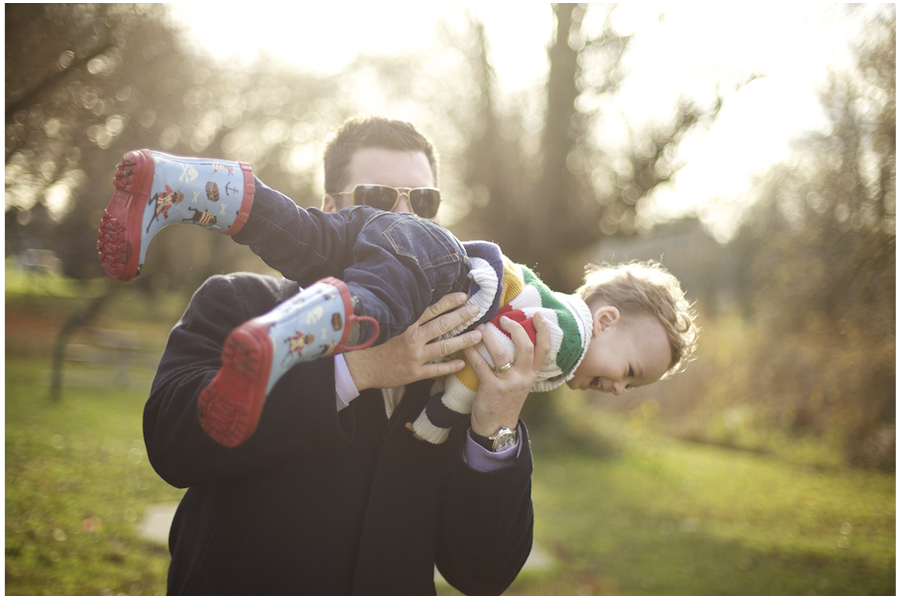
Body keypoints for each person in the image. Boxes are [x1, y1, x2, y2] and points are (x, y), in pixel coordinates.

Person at [122, 117, 554, 595]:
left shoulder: (463, 359)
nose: (405, 219)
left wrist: (497, 424)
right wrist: (353, 372)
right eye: (379, 198)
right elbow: (173, 447)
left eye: (424, 202)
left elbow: (484, 574)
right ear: (329, 210)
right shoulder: (238, 302)